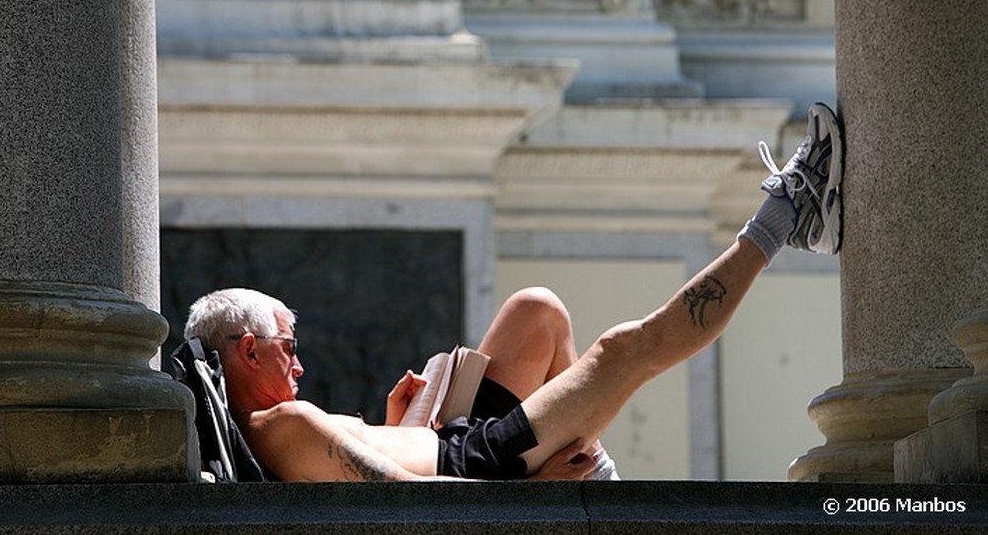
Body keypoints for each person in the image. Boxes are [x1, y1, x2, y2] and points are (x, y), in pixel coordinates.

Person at [182, 102, 843, 482]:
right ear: (247, 350)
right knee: (625, 351)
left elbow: (380, 478)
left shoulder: (280, 427)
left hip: (456, 438)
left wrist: (394, 425)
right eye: (286, 347)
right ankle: (791, 209)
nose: (299, 362)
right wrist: (526, 497)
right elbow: (405, 509)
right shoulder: (281, 423)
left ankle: (596, 469)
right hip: (486, 465)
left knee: (537, 309)